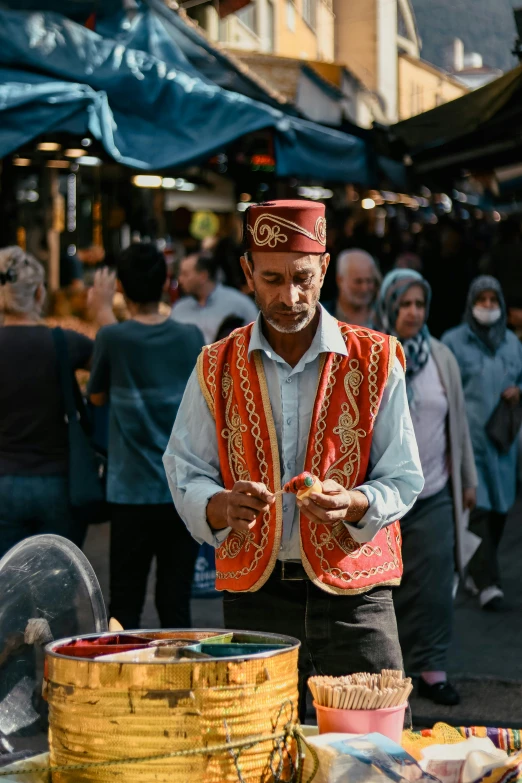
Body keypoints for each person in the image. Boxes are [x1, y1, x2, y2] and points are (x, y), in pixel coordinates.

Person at [164, 200, 424, 721]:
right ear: (248, 274)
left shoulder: (377, 358)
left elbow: (403, 475)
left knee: (368, 757)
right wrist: (218, 507)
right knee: (254, 757)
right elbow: (183, 466)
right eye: (273, 279)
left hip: (357, 598)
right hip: (256, 598)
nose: (290, 296)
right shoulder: (215, 364)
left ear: (324, 268)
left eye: (303, 277)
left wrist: (353, 502)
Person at [88, 244, 203, 629]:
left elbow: (97, 396)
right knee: (176, 603)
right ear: (167, 283)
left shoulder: (112, 338)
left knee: (125, 606)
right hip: (182, 493)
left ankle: (125, 682)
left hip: (130, 495)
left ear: (121, 287)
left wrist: (102, 311)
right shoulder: (191, 337)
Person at [379, 269, 477, 707]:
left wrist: (468, 480)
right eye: (405, 304)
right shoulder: (373, 354)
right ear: (390, 308)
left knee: (437, 583)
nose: (414, 313)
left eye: (420, 304)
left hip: (435, 489)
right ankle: (387, 671)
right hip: (383, 494)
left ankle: (433, 670)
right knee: (386, 585)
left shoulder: (442, 358)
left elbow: (458, 425)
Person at [0, 246, 93, 557]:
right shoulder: (63, 341)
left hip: (3, 481)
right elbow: (111, 363)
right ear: (39, 293)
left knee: (8, 593)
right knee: (56, 590)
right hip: (59, 482)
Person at [443, 276, 522, 612]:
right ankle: (489, 582)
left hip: (503, 443)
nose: (487, 306)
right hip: (470, 440)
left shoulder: (512, 344)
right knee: (478, 508)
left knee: (501, 509)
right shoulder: (453, 343)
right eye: (482, 299)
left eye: (493, 299)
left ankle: (476, 569)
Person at [171, 251, 258, 344]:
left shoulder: (239, 304)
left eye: (185, 274)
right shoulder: (178, 309)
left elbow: (258, 338)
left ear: (203, 276)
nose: (180, 279)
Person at [322, 249, 381, 328]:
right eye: (358, 282)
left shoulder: (383, 319)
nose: (364, 288)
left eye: (369, 281)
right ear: (340, 280)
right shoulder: (321, 316)